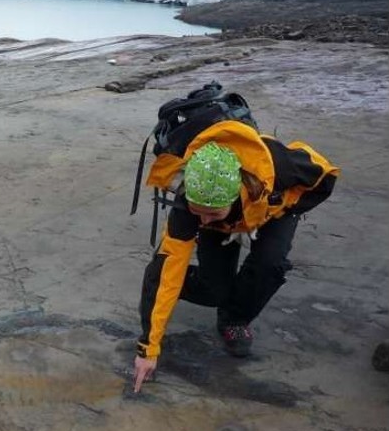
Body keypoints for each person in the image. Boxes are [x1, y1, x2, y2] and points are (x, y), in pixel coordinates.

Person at [133, 119, 339, 393]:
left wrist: (286, 208)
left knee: (270, 264)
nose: (203, 219)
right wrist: (149, 347)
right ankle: (160, 283)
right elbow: (173, 262)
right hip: (228, 218)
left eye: (211, 212)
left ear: (235, 195)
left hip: (272, 206)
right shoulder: (189, 208)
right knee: (208, 287)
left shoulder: (283, 168)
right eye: (198, 211)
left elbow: (326, 176)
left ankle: (235, 318)